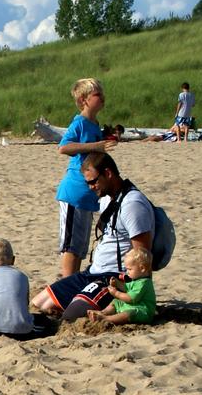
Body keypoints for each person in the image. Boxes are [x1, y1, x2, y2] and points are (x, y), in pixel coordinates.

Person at [32, 151, 154, 321]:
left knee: (70, 317)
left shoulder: (132, 205)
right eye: (87, 183)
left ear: (108, 173)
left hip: (112, 277)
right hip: (91, 272)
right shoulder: (105, 198)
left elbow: (143, 256)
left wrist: (136, 294)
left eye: (93, 182)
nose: (90, 187)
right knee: (40, 303)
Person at [55, 78, 115, 278]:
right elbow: (64, 147)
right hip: (75, 192)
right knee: (71, 246)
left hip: (89, 194)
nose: (103, 98)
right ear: (83, 100)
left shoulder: (94, 124)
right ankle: (67, 284)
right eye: (97, 95)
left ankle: (71, 283)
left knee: (80, 246)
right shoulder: (79, 122)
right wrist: (95, 146)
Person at [88, 248, 157, 326]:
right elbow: (126, 288)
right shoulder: (137, 280)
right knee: (116, 302)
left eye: (130, 269)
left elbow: (131, 298)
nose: (127, 272)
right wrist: (117, 283)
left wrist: (116, 293)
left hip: (143, 311)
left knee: (129, 313)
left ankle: (106, 319)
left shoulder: (144, 283)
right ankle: (103, 312)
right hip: (134, 305)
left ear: (142, 268)